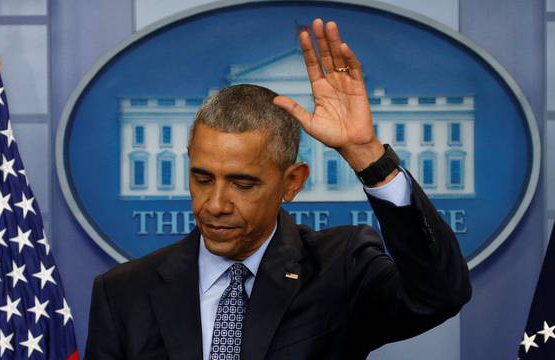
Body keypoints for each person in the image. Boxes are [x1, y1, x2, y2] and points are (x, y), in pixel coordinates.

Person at [84, 18, 471, 360]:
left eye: (242, 183)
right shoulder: (123, 292)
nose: (215, 204)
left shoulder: (340, 270)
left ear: (292, 182)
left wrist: (368, 155)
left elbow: (438, 295)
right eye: (202, 178)